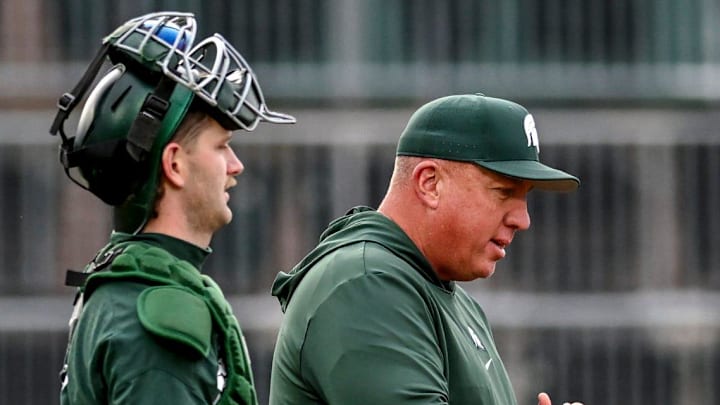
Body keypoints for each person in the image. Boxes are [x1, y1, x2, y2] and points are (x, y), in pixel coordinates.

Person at [269, 94, 584, 405]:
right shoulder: (365, 283)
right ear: (430, 183)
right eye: (503, 191)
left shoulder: (451, 299)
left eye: (525, 196)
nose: (523, 219)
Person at [50, 11, 295, 405]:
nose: (236, 166)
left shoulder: (122, 286)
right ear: (175, 163)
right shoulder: (160, 317)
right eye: (221, 146)